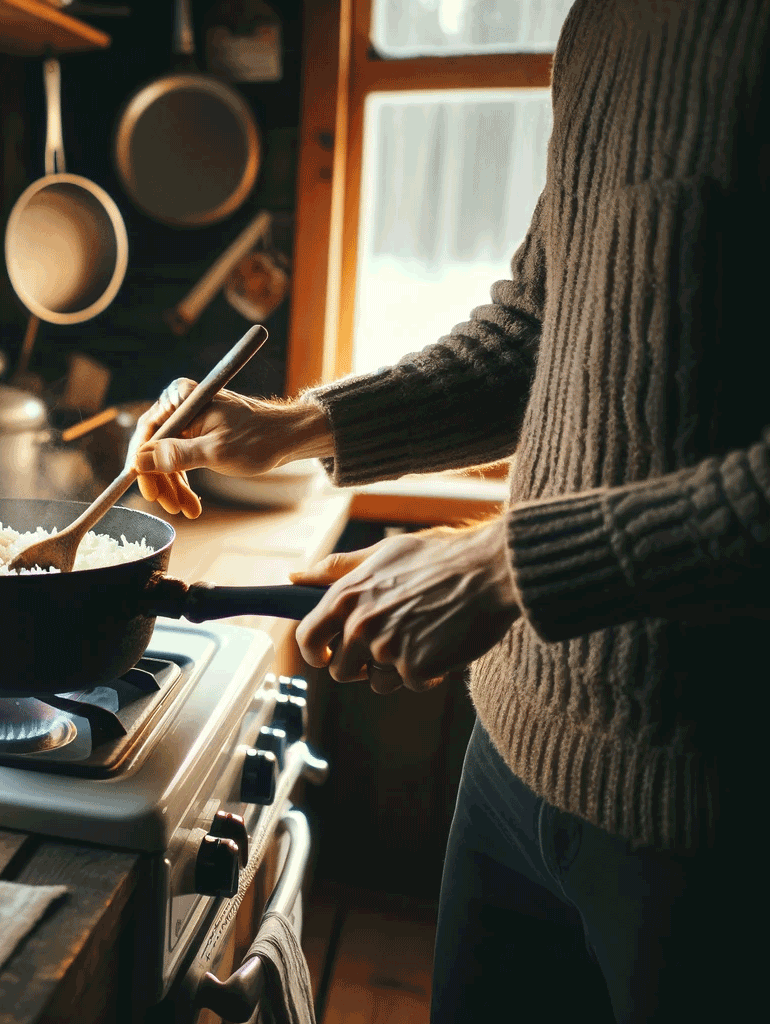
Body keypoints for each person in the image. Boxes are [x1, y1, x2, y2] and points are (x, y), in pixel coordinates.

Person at [128, 3, 766, 1021]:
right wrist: (297, 427)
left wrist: (508, 563)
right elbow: (537, 327)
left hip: (709, 816)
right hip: (512, 752)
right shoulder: (604, 23)